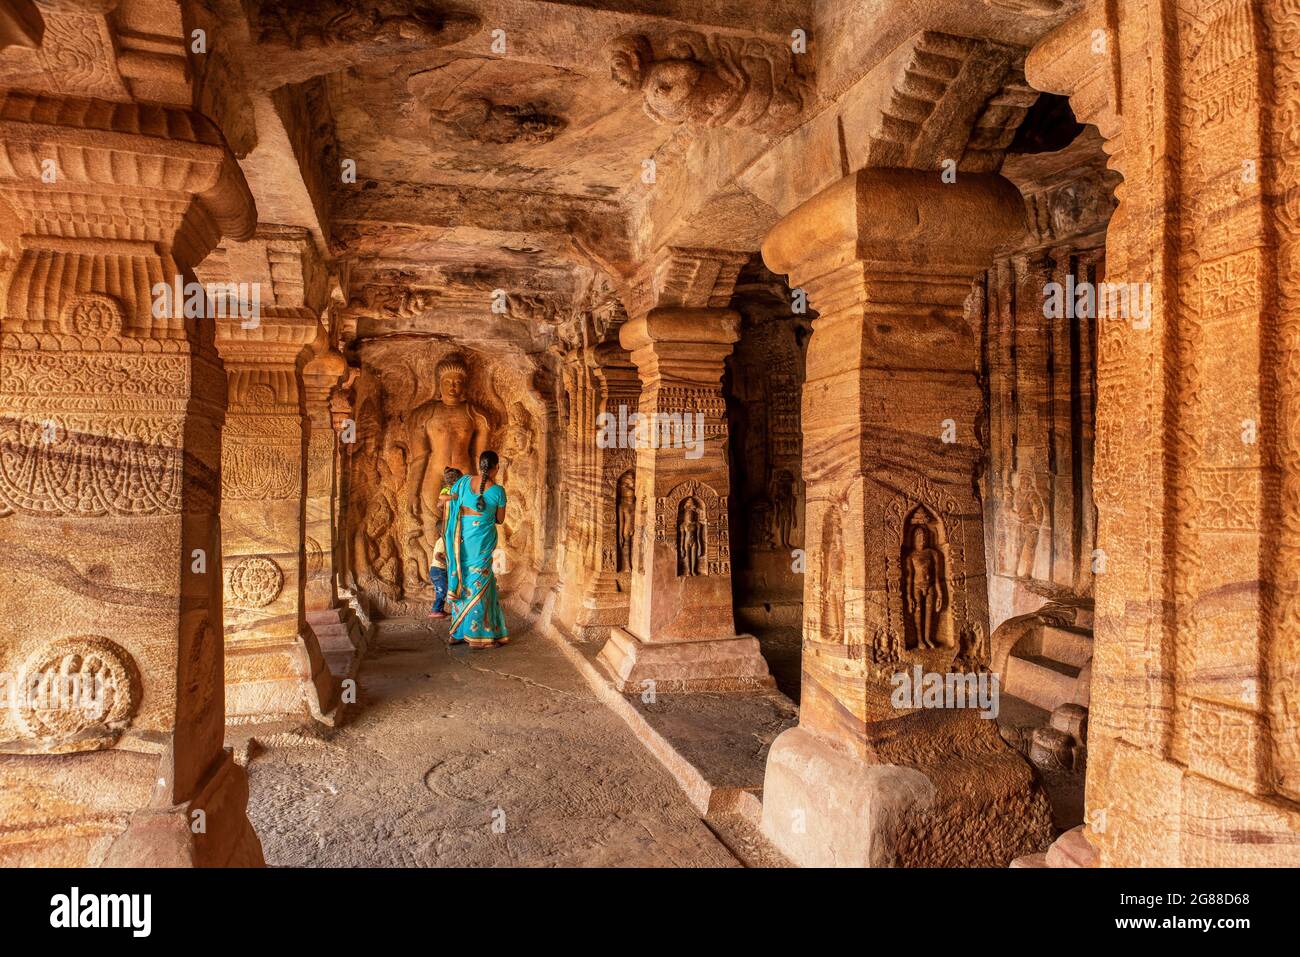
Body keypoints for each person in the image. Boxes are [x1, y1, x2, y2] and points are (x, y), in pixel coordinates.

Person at [444, 451, 509, 648]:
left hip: (462, 541)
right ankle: (477, 635)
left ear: (479, 465)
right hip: (481, 542)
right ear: (496, 468)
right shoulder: (498, 491)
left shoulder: (463, 482)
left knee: (462, 578)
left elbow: (449, 498)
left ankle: (457, 632)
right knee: (480, 582)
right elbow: (499, 519)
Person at [427, 468, 461, 620]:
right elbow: (441, 499)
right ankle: (438, 610)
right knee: (443, 591)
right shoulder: (449, 490)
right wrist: (452, 497)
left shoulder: (457, 489)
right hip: (438, 569)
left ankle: (439, 610)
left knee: (443, 590)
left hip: (439, 570)